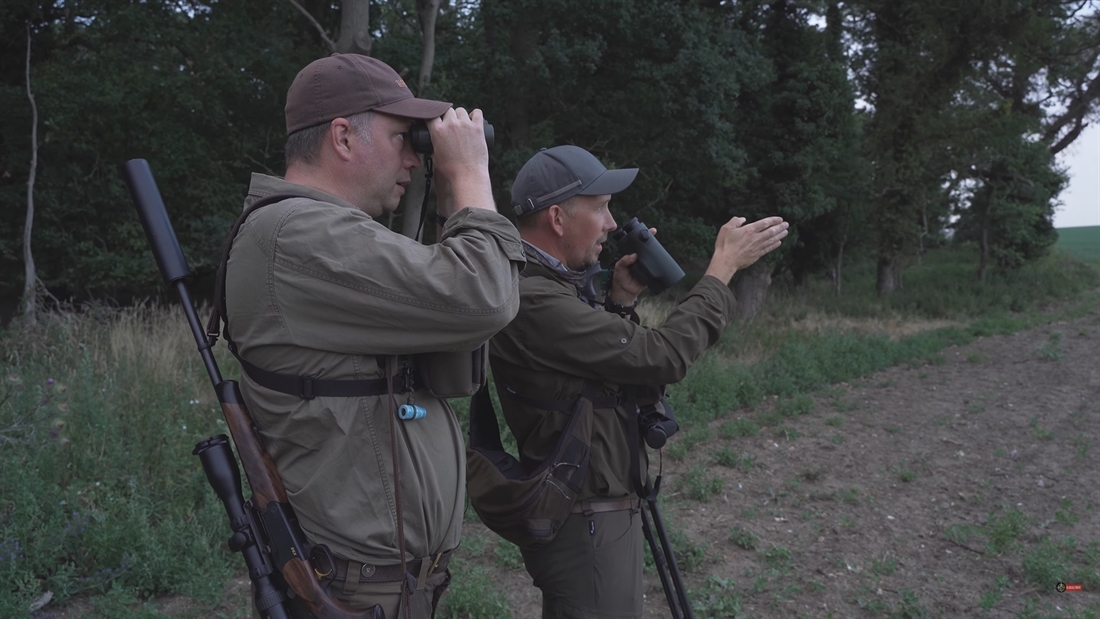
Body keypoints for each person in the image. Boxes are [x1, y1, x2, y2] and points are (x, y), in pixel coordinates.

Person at [223, 53, 524, 617]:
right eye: (402, 137)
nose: (415, 156)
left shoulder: (335, 234)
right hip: (356, 586)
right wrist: (471, 176)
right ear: (342, 136)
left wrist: (449, 206)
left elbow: (453, 365)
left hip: (394, 581)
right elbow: (486, 298)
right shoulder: (296, 232)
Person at [487, 145, 788, 618]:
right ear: (557, 219)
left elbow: (588, 375)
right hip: (585, 519)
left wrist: (621, 299)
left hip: (598, 510)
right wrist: (721, 271)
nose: (612, 223)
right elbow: (662, 356)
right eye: (601, 208)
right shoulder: (535, 298)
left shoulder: (555, 286)